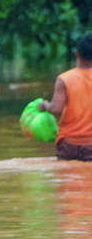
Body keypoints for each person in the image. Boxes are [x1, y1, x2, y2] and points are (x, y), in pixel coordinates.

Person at [37, 32, 92, 160]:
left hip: (68, 143)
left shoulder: (64, 79)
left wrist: (45, 105)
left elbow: (56, 109)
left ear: (76, 53)